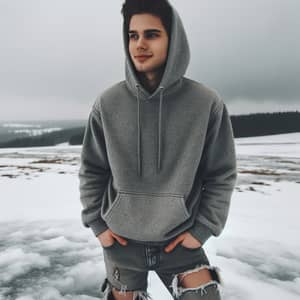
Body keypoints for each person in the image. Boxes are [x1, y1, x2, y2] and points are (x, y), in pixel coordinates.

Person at [78, 0, 237, 299]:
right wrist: (98, 224)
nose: (139, 44)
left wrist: (202, 229)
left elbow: (221, 174)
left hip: (180, 241)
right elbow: (92, 170)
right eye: (132, 35)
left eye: (151, 34)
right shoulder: (107, 103)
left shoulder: (206, 103)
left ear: (173, 39)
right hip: (121, 243)